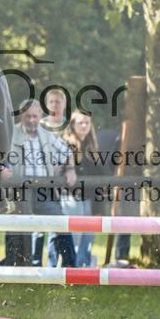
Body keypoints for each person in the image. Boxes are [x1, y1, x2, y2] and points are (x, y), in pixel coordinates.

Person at [1, 100, 76, 266]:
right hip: (18, 191)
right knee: (15, 231)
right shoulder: (11, 133)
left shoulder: (46, 134)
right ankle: (13, 269)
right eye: (27, 116)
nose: (31, 120)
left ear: (41, 116)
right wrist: (1, 170)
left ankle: (71, 266)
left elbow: (67, 152)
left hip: (43, 191)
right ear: (21, 116)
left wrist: (70, 170)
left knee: (61, 224)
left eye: (35, 116)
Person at [62, 111, 106, 267]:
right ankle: (73, 267)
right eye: (80, 122)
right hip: (71, 196)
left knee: (89, 234)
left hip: (89, 197)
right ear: (73, 125)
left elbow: (99, 171)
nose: (84, 125)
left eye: (87, 122)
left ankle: (84, 266)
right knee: (76, 234)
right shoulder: (66, 145)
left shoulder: (91, 146)